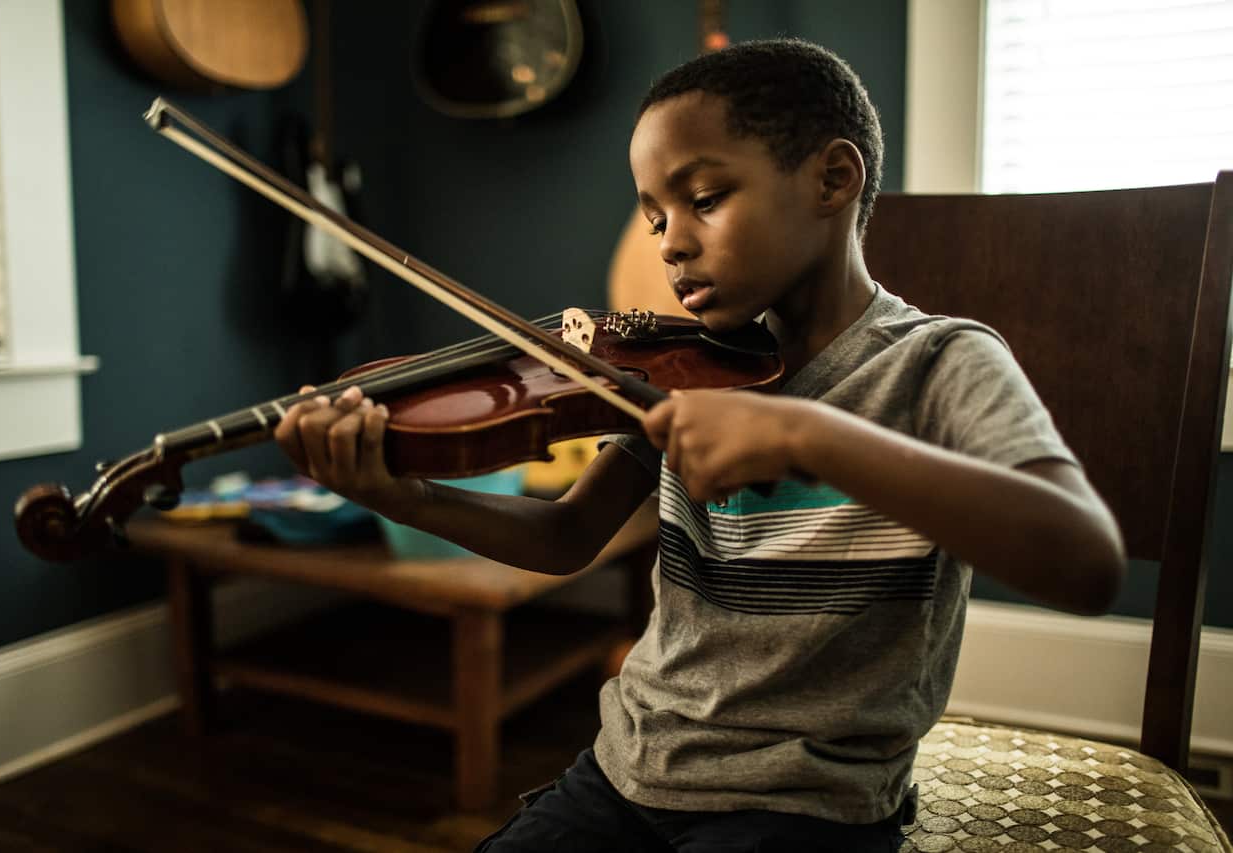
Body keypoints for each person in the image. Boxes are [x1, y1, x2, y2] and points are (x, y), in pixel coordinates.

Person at [274, 38, 1126, 853]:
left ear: (832, 178)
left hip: (807, 802)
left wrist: (805, 433)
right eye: (654, 217)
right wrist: (407, 498)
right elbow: (565, 536)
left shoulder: (939, 363)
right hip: (632, 766)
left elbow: (1084, 560)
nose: (671, 243)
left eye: (705, 200)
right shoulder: (688, 369)